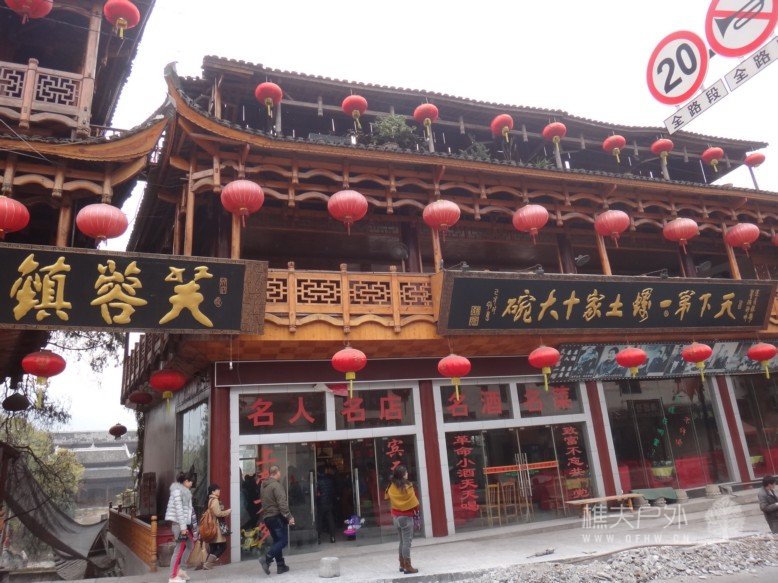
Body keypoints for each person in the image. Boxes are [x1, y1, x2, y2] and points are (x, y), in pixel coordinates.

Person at [259, 465, 295, 575]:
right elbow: (282, 503)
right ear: (277, 472)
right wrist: (289, 517)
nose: (280, 474)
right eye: (280, 472)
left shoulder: (263, 486)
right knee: (283, 541)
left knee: (277, 541)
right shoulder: (276, 486)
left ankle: (281, 565)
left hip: (267, 518)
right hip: (276, 517)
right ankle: (267, 558)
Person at [384, 465, 420, 574]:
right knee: (407, 543)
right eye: (406, 472)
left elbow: (386, 496)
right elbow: (413, 501)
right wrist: (416, 510)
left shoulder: (391, 485)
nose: (407, 474)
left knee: (402, 541)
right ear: (403, 475)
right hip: (406, 517)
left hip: (396, 517)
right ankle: (407, 566)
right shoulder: (408, 486)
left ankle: (402, 564)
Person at [165, 472, 195, 583]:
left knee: (190, 545)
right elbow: (180, 511)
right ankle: (172, 577)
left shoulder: (183, 491)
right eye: (190, 481)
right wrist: (183, 528)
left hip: (182, 525)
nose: (192, 483)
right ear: (185, 481)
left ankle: (181, 570)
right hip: (179, 525)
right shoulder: (179, 492)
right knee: (178, 550)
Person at [204, 484, 231, 570]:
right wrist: (227, 511)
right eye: (217, 490)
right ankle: (208, 563)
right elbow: (218, 513)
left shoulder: (210, 500)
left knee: (214, 547)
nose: (219, 491)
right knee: (223, 546)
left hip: (211, 526)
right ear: (213, 491)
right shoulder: (215, 500)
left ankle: (207, 564)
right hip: (216, 526)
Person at [316, 465, 336, 543]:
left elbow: (317, 493)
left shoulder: (318, 481)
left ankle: (318, 538)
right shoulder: (329, 480)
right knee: (330, 520)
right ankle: (332, 537)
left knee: (319, 520)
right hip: (329, 503)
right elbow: (332, 491)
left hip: (321, 503)